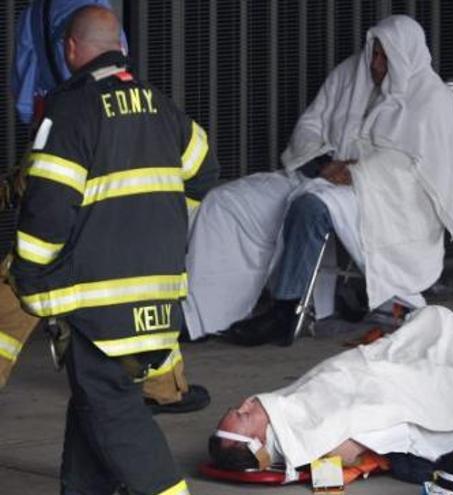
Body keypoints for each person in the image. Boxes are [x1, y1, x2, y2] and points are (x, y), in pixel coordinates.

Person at [10, 6, 218, 494]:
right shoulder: (164, 108)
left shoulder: (70, 112)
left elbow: (48, 207)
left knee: (115, 413)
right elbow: (204, 171)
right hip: (158, 301)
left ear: (70, 50)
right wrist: (154, 231)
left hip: (97, 306)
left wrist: (31, 278)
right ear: (122, 46)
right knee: (96, 401)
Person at [183, 14, 453, 343]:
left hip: (384, 199)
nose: (375, 65)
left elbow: (425, 170)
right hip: (320, 173)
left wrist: (358, 172)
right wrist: (323, 162)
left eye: (384, 58)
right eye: (373, 54)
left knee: (311, 207)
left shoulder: (433, 99)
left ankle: (285, 311)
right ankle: (201, 316)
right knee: (225, 203)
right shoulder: (351, 74)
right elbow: (311, 125)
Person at [207, 305, 453, 484]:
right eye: (243, 415)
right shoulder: (300, 433)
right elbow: (356, 428)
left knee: (435, 319)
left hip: (384, 369)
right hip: (410, 393)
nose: (246, 403)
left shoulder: (281, 408)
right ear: (256, 439)